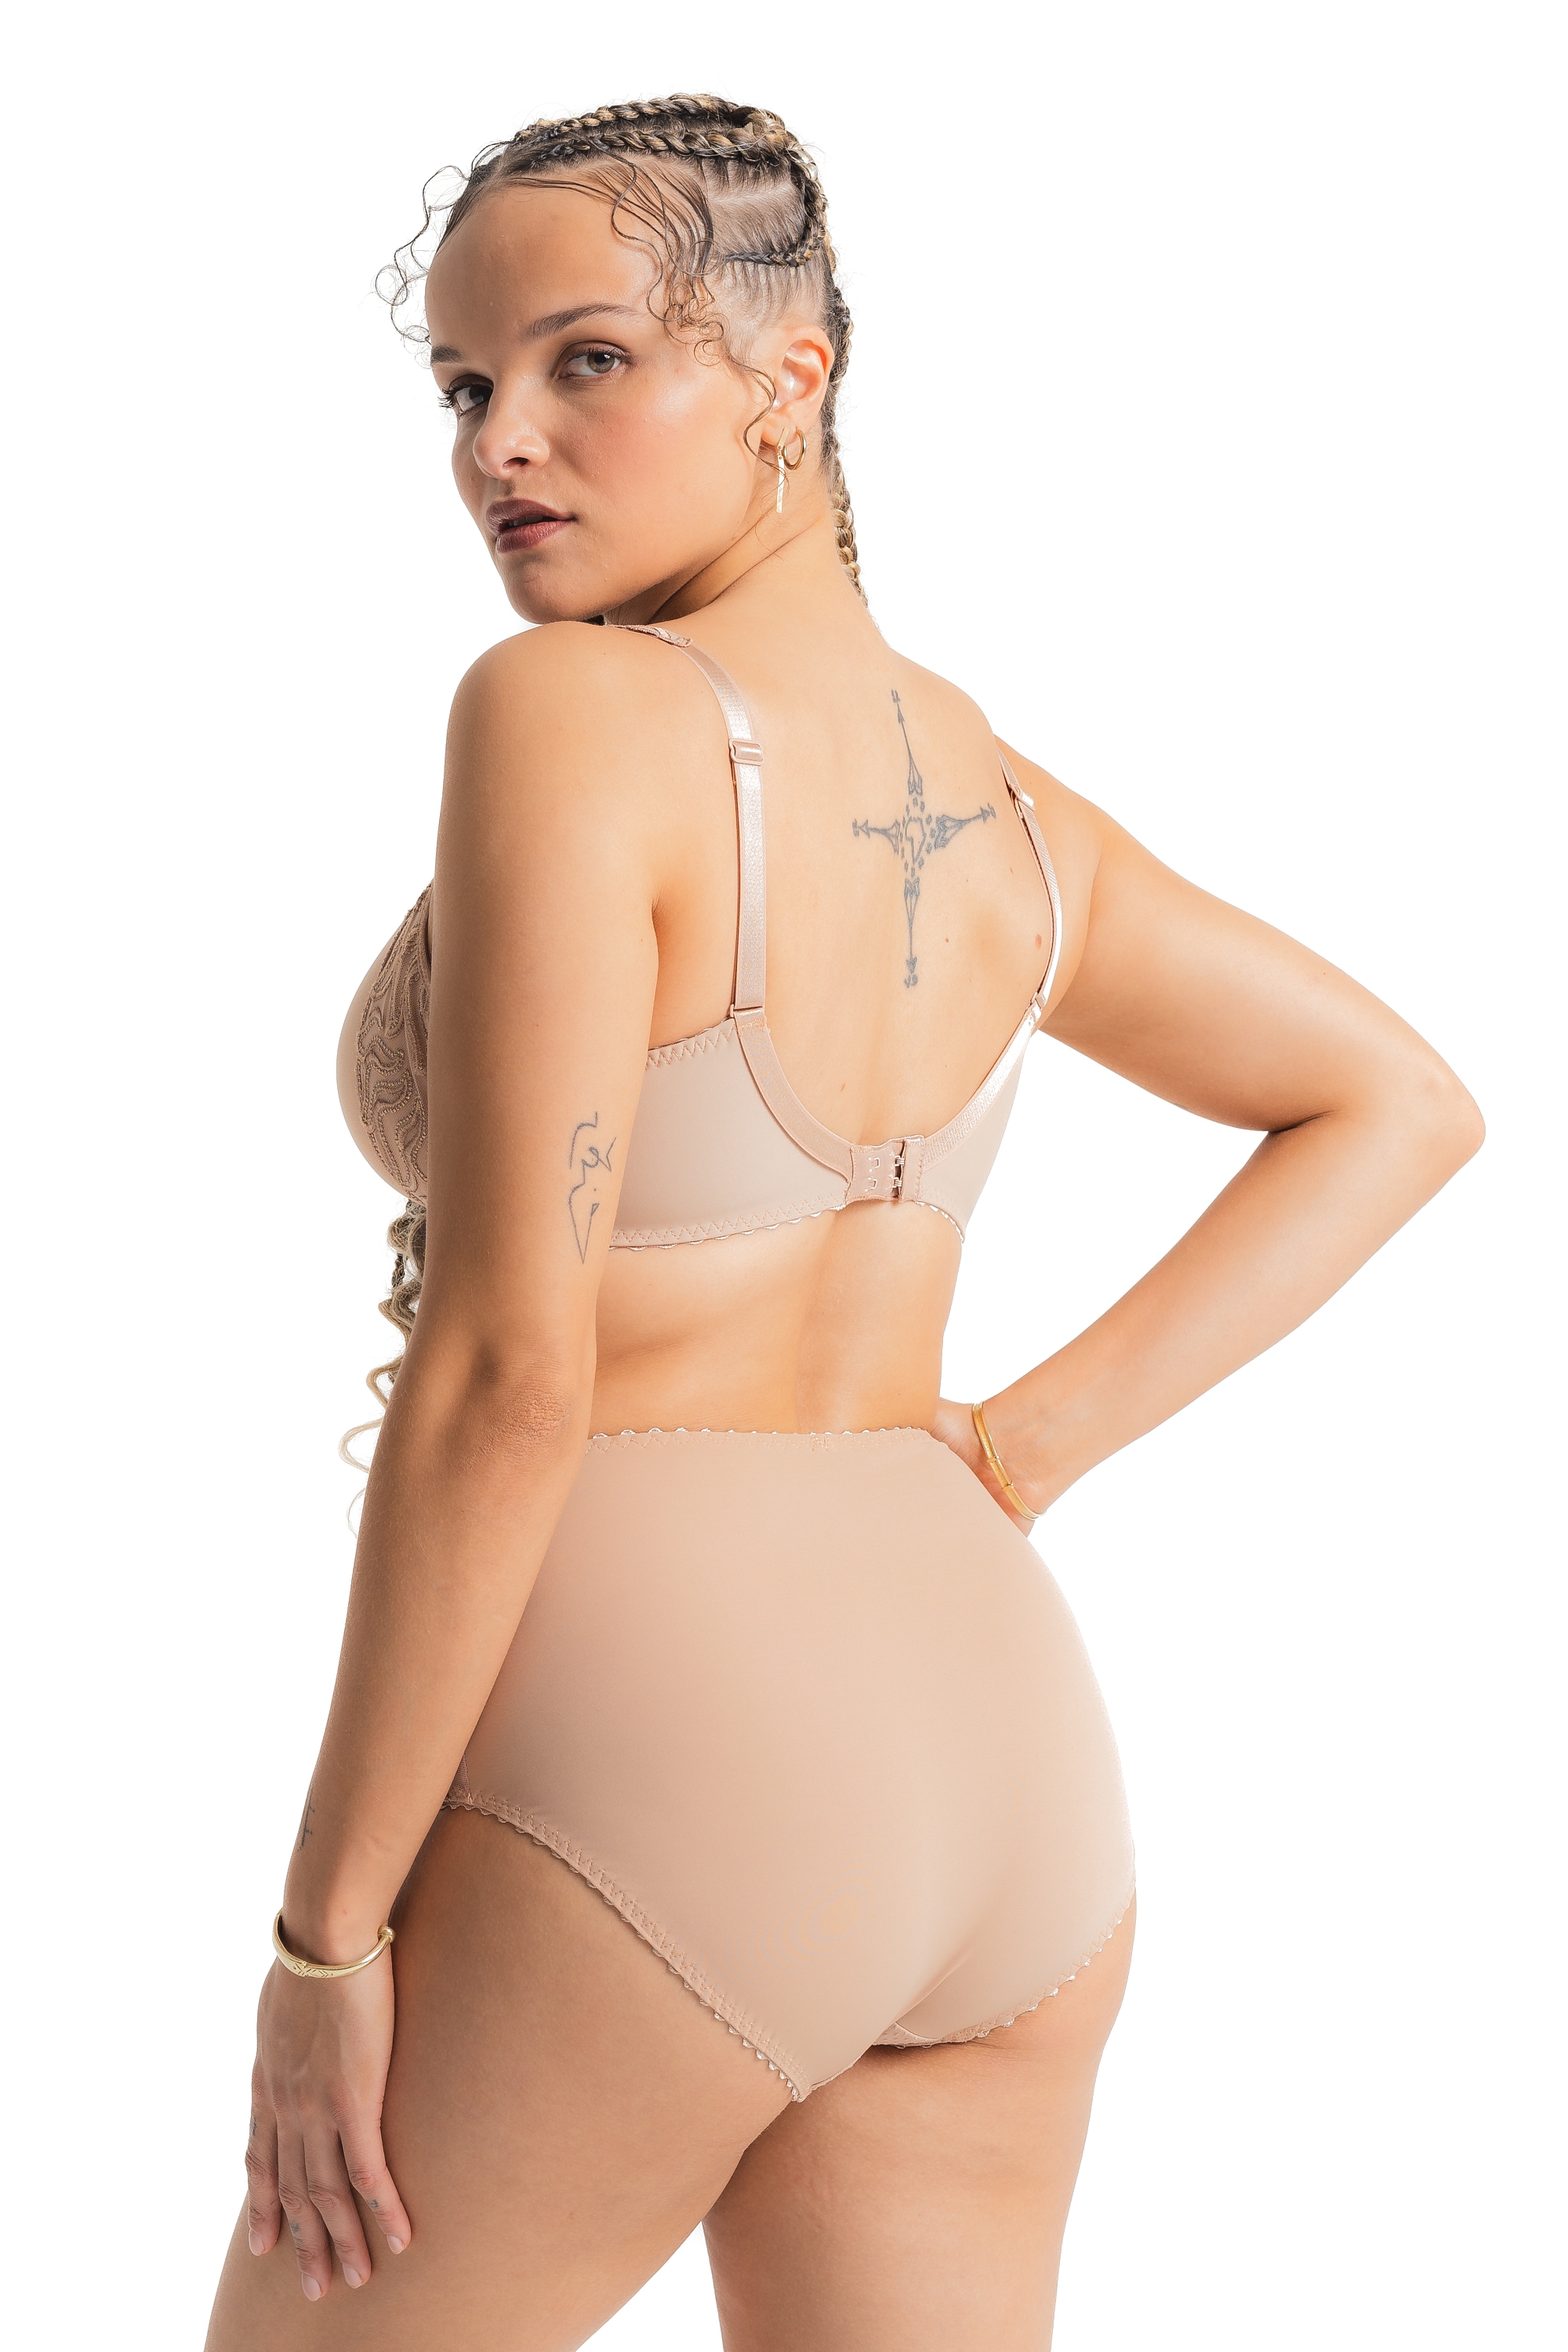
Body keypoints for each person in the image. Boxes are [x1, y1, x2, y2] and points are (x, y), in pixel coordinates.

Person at [205, 94, 1482, 2352]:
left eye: (590, 361)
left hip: (668, 1749)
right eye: (465, 385)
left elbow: (507, 1381)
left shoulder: (569, 715)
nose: (504, 443)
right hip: (1003, 1760)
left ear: (792, 380)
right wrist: (1009, 1455)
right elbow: (1392, 1100)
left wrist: (326, 1940)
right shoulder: (1001, 808)